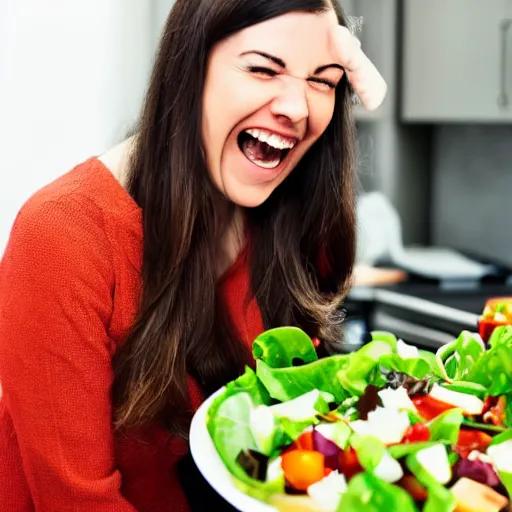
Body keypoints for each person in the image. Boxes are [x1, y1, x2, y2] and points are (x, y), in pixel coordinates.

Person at [0, 0, 386, 510]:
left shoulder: (291, 229)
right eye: (263, 68)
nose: (296, 108)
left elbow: (285, 459)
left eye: (324, 80)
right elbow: (76, 500)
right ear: (190, 68)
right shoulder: (63, 234)